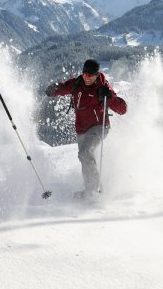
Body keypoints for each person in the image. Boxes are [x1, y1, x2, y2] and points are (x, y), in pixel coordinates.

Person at [45, 58, 127, 198]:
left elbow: (122, 109)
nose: (86, 78)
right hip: (81, 129)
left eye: (90, 75)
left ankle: (93, 191)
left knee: (84, 153)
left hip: (99, 127)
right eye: (84, 74)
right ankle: (90, 188)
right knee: (85, 158)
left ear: (96, 75)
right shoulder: (77, 83)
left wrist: (110, 98)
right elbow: (64, 87)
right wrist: (54, 90)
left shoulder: (103, 88)